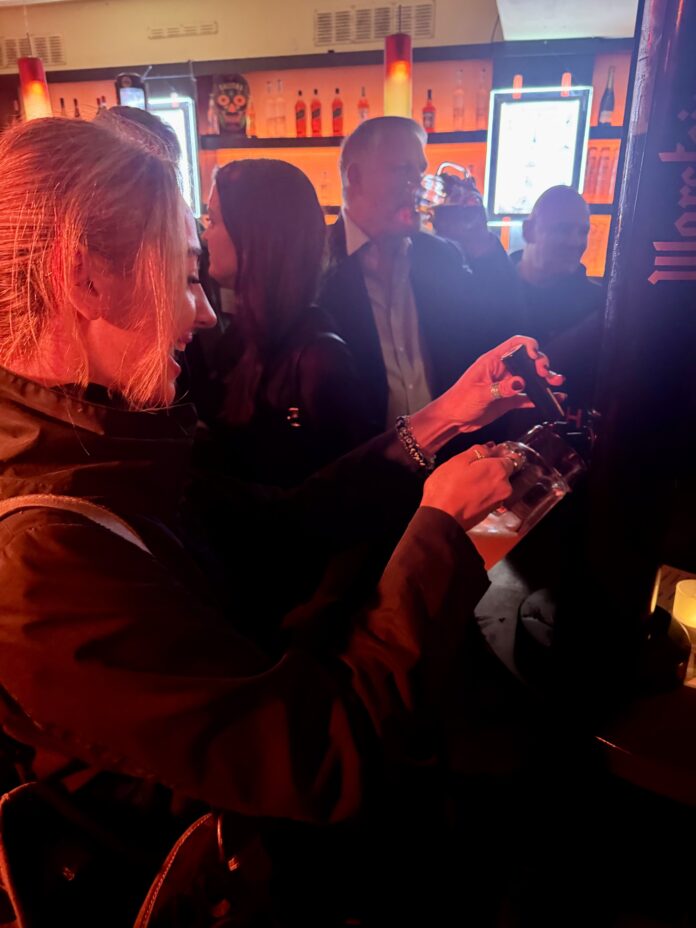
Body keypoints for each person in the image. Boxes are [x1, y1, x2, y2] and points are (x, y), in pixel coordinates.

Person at [0, 117, 561, 925]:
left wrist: (443, 417)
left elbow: (281, 528)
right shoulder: (39, 559)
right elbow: (320, 757)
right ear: (83, 278)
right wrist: (446, 530)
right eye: (181, 276)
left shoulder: (106, 443)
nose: (202, 312)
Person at [319, 116, 518, 437]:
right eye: (403, 170)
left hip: (447, 456)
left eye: (421, 172)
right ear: (355, 177)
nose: (419, 185)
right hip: (363, 459)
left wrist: (478, 240)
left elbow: (502, 332)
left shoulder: (441, 256)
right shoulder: (317, 263)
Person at [193, 158, 372, 486]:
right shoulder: (239, 339)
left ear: (254, 235)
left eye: (214, 220)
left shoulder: (319, 358)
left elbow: (347, 488)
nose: (205, 236)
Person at [511, 185, 605, 412]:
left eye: (583, 231)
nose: (575, 242)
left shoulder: (600, 305)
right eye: (563, 229)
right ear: (529, 231)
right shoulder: (489, 293)